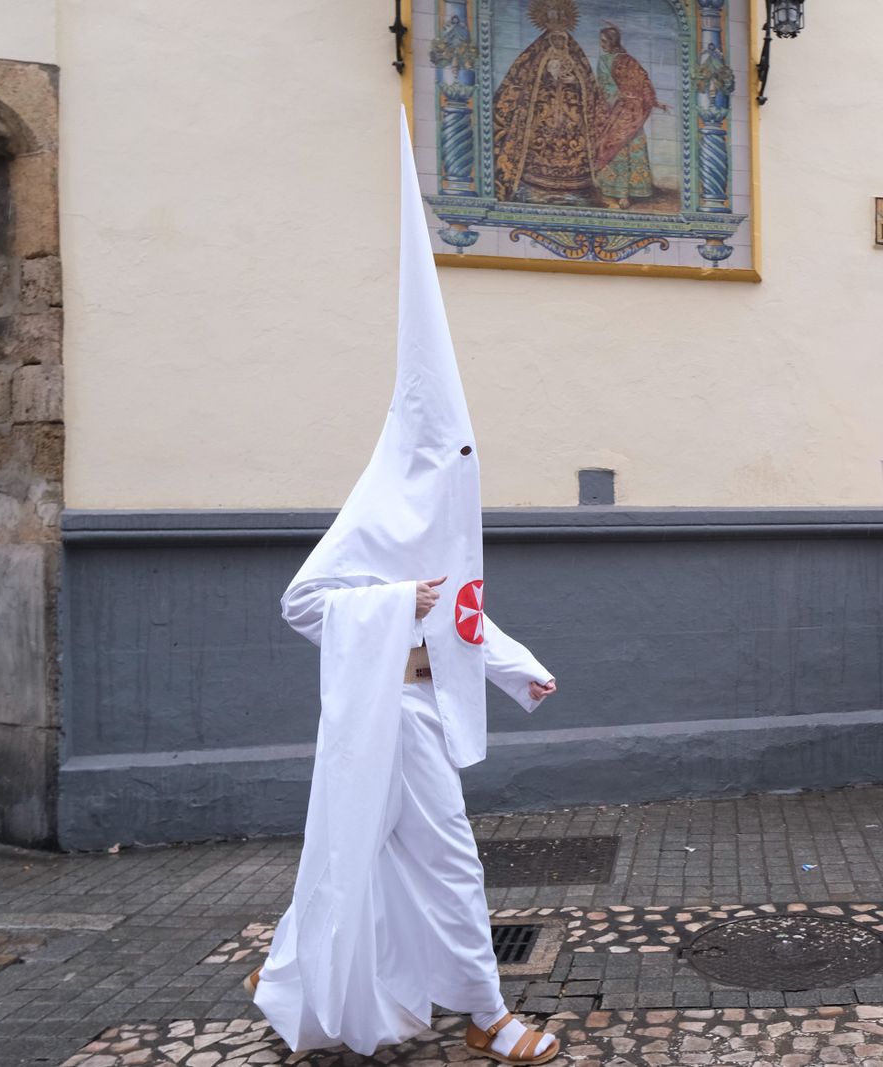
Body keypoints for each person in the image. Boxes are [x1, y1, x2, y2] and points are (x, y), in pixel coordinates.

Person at [249, 112, 561, 1065]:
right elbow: (304, 604)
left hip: (422, 708)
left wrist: (517, 669)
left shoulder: (438, 522)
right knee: (419, 861)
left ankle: (386, 995)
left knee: (397, 862)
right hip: (382, 707)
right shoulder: (378, 512)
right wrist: (395, 607)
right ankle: (482, 1014)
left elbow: (463, 608)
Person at [491, 0, 603, 205]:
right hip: (543, 109)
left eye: (562, 39)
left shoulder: (575, 53)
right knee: (540, 139)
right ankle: (535, 184)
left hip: (571, 111)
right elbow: (523, 77)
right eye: (552, 16)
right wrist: (546, 74)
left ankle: (575, 185)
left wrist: (573, 80)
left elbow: (587, 80)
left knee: (573, 141)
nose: (559, 41)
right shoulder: (537, 51)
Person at [593, 24, 665, 209]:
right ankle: (623, 193)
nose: (602, 45)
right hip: (624, 111)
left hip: (625, 112)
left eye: (604, 41)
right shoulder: (616, 60)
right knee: (621, 148)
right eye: (601, 41)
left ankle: (624, 193)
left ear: (612, 41)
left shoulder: (618, 61)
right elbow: (605, 87)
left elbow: (639, 81)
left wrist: (651, 101)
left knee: (624, 147)